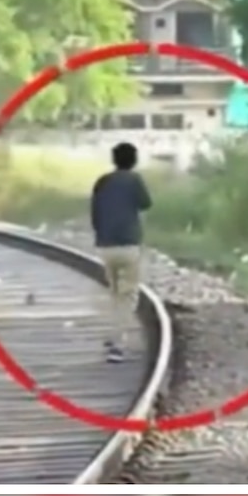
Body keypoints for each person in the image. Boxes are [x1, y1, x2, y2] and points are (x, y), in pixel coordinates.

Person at [90, 142, 152, 363]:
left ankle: (113, 333)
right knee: (128, 296)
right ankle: (117, 345)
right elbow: (146, 204)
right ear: (133, 160)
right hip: (128, 245)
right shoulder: (134, 180)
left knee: (116, 293)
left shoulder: (102, 182)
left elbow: (94, 214)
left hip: (106, 246)